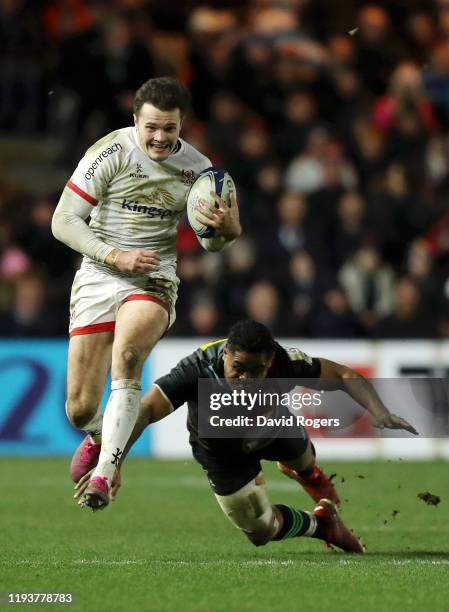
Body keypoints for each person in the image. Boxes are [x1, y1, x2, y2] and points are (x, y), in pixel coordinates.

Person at [52, 77, 241, 510]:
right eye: (151, 127)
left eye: (169, 129)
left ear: (181, 125)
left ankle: (105, 474)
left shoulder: (200, 170)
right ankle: (102, 436)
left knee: (129, 355)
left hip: (154, 278)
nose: (159, 137)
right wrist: (113, 255)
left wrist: (229, 231)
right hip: (100, 273)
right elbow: (63, 221)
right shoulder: (110, 152)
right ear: (135, 120)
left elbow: (215, 240)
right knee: (79, 409)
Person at [75, 320, 417, 553]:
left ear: (270, 363)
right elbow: (146, 411)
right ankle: (323, 525)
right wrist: (112, 462)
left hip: (271, 428)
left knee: (304, 457)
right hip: (220, 452)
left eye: (256, 371)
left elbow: (342, 374)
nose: (245, 380)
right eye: (238, 368)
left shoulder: (284, 361)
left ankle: (309, 474)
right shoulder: (196, 369)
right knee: (261, 532)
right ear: (225, 355)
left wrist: (380, 411)